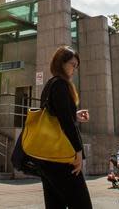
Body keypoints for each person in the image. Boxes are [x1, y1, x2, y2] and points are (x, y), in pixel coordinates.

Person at [35, 46, 92, 209]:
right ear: (61, 63)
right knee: (82, 204)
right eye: (72, 65)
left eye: (76, 66)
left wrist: (75, 115)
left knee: (55, 205)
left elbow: (57, 115)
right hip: (62, 156)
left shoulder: (50, 84)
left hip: (47, 157)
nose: (75, 69)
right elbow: (66, 121)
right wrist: (78, 151)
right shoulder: (60, 84)